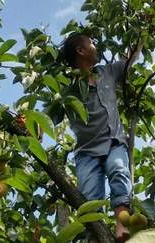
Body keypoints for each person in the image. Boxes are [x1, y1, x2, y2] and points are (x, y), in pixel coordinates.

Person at [62, 32, 142, 242]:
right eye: (92, 43)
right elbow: (53, 109)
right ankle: (95, 238)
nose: (96, 46)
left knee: (119, 170)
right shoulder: (68, 86)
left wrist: (140, 36)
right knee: (89, 199)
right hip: (87, 150)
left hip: (114, 141)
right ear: (81, 51)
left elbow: (129, 61)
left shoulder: (106, 72)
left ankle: (122, 228)